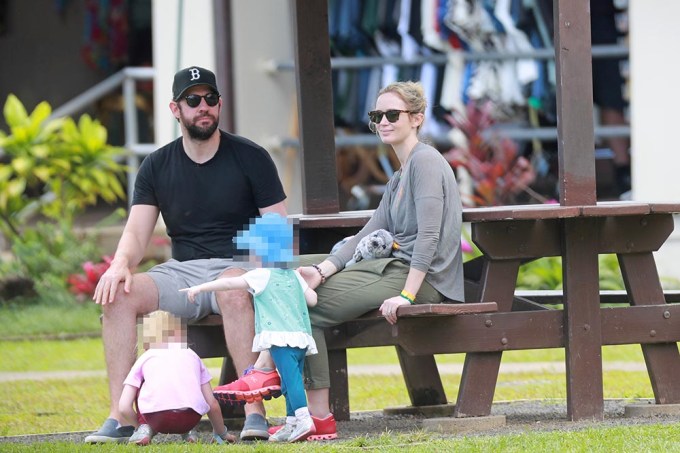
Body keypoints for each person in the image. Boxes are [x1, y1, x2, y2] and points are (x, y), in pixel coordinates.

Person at [222, 80, 464, 440]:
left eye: (392, 114)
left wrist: (408, 296)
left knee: (306, 307)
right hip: (393, 267)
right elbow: (369, 232)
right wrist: (321, 270)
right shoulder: (400, 174)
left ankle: (308, 409)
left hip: (421, 279)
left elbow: (429, 237)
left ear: (416, 118)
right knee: (283, 272)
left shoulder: (426, 162)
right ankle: (270, 373)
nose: (382, 121)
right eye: (376, 115)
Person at [84, 65, 287, 443]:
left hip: (236, 267)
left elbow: (276, 227)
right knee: (117, 296)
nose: (203, 107)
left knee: (232, 288)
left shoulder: (250, 156)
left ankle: (253, 409)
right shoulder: (157, 165)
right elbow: (136, 231)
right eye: (193, 100)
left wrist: (262, 274)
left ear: (220, 105)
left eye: (210, 99)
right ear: (176, 109)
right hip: (182, 273)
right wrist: (119, 266)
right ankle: (122, 414)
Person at [181, 212, 319, 442]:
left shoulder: (261, 276)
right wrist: (306, 281)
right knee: (288, 379)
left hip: (279, 339)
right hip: (302, 338)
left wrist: (200, 288)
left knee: (291, 380)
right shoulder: (294, 276)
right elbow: (312, 299)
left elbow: (228, 283)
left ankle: (304, 419)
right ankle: (292, 422)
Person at [119, 310, 236, 445]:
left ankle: (144, 430)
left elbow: (123, 407)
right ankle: (190, 432)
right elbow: (212, 404)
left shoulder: (145, 358)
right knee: (186, 384)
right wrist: (221, 433)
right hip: (190, 418)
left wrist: (139, 424)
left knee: (140, 385)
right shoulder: (193, 356)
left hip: (156, 418)